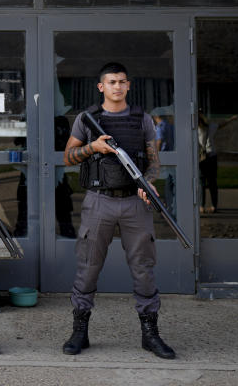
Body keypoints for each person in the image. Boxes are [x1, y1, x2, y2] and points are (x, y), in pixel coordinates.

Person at [61, 62, 175, 360]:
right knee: (88, 267)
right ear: (101, 86)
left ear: (128, 85)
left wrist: (147, 183)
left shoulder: (142, 119)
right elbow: (68, 157)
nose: (117, 86)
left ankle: (150, 334)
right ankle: (79, 332)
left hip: (134, 203)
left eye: (122, 82)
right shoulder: (87, 119)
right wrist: (92, 148)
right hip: (99, 201)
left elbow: (154, 163)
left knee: (144, 268)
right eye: (111, 82)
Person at [197, 112, 238, 213]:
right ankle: (213, 206)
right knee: (212, 183)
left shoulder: (195, 129)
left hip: (201, 158)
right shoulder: (211, 127)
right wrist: (231, 119)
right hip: (211, 156)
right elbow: (222, 124)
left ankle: (201, 206)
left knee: (201, 182)